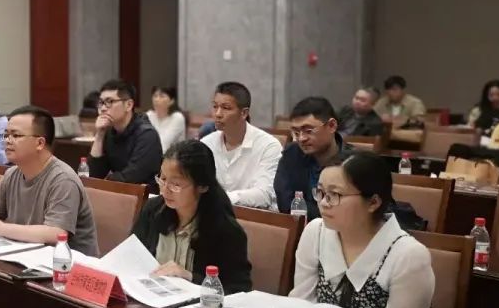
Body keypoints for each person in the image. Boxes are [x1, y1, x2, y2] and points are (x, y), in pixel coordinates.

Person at [289, 151, 435, 308]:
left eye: (335, 195)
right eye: (321, 192)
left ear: (373, 202)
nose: (323, 203)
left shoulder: (408, 255)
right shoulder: (315, 232)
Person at [0, 105, 99, 256]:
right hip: (26, 255)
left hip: (66, 264)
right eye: (5, 135)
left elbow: (56, 233)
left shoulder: (63, 179)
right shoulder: (11, 174)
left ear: (40, 143)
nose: (7, 141)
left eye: (15, 135)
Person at [131, 141, 252, 293]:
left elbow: (239, 289)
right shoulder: (153, 210)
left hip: (194, 306)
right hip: (149, 299)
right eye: (162, 179)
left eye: (176, 184)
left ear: (202, 186)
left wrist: (190, 277)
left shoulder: (226, 230)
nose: (165, 190)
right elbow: (132, 258)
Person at [200, 82, 281, 210]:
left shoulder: (269, 146)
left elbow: (264, 195)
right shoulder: (206, 143)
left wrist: (220, 199)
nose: (218, 114)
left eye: (226, 108)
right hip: (215, 214)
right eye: (215, 107)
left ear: (244, 113)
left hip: (254, 217)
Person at [274, 97, 351, 220]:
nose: (301, 138)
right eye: (296, 132)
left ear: (331, 126)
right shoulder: (292, 153)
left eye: (308, 131)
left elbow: (347, 211)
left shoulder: (355, 162)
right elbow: (285, 202)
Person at [88, 79, 162, 189]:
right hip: (118, 193)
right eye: (101, 103)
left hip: (146, 196)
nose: (103, 108)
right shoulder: (109, 132)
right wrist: (99, 134)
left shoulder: (147, 135)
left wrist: (105, 181)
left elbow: (131, 178)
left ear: (129, 105)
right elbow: (94, 175)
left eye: (109, 102)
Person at [146, 85, 186, 153]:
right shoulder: (149, 115)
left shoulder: (177, 118)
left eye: (162, 96)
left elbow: (163, 146)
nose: (156, 99)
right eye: (155, 96)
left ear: (172, 101)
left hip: (172, 157)